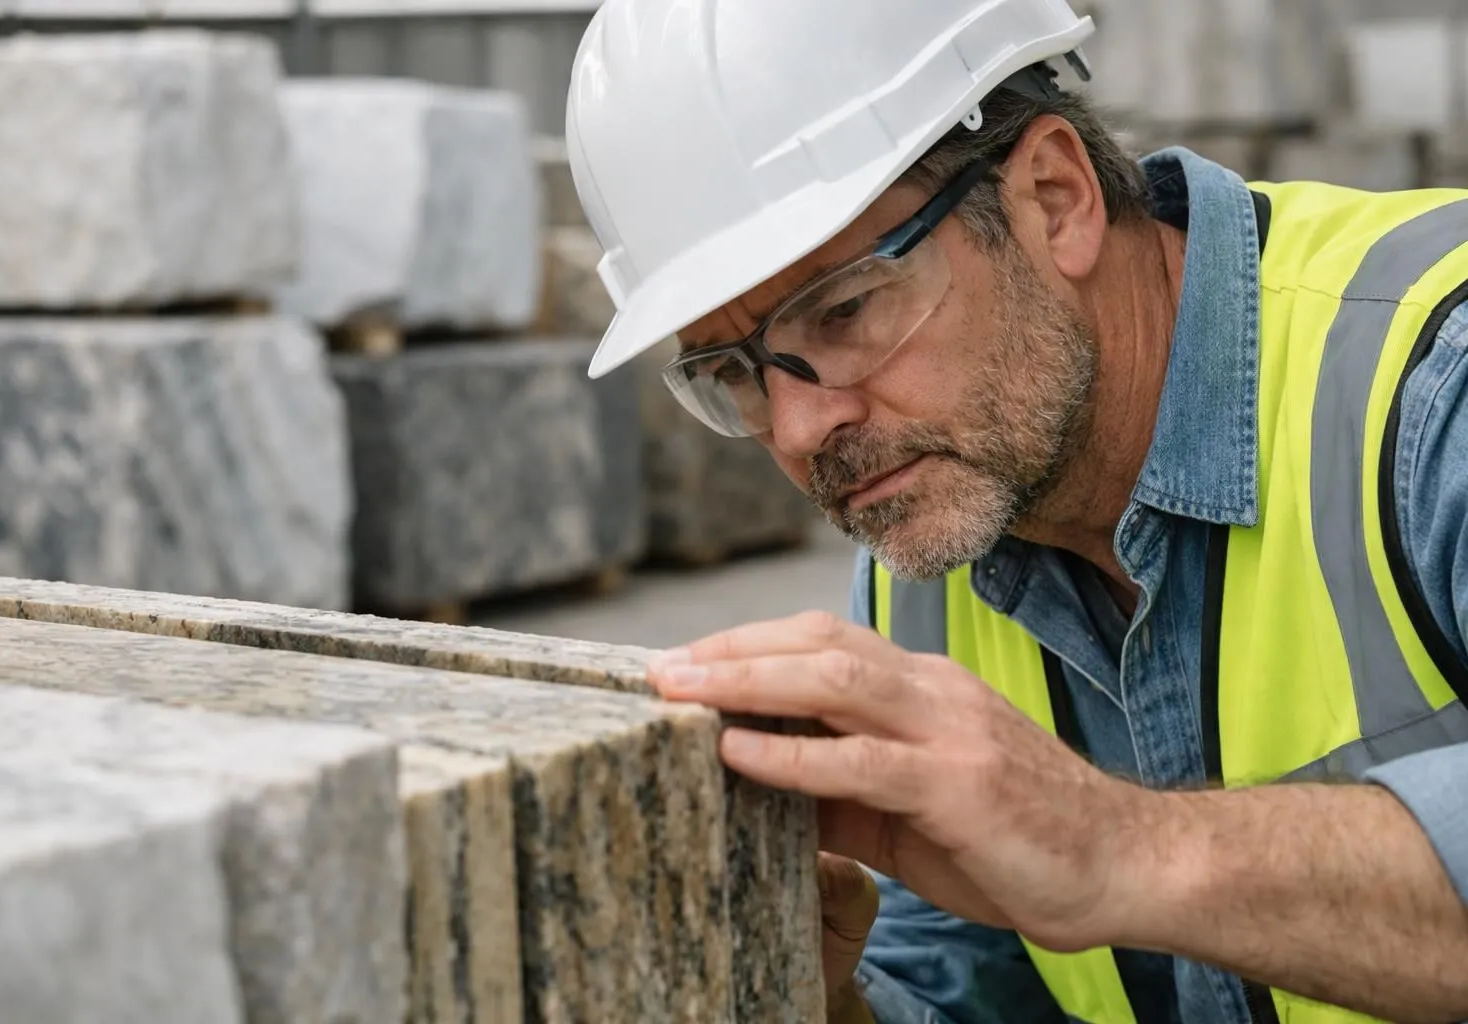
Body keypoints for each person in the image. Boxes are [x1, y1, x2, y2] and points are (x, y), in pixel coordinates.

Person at [565, 1, 1468, 1021]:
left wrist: (1112, 846)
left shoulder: (1437, 383)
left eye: (846, 310)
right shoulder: (936, 547)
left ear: (1055, 198)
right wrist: (815, 994)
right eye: (732, 370)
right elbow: (962, 989)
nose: (802, 426)